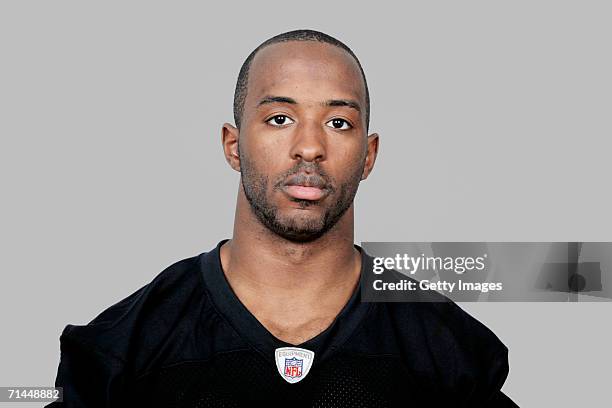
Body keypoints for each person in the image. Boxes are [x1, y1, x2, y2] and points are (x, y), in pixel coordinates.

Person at [47, 29, 518, 407]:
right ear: (234, 145)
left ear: (368, 155)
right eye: (279, 118)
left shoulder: (446, 351)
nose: (310, 147)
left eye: (338, 123)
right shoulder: (124, 349)